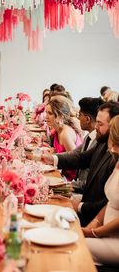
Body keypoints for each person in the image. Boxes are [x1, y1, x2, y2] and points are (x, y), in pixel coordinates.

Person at [41, 101, 119, 226]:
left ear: (114, 126)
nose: (96, 127)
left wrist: (80, 206)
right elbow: (81, 158)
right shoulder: (102, 143)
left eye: (100, 124)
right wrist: (52, 158)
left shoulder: (115, 156)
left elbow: (108, 202)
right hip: (85, 204)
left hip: (94, 217)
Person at [82, 114, 119, 267]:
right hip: (104, 232)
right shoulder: (117, 160)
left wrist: (94, 233)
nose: (112, 148)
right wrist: (92, 225)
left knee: (75, 247)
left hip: (115, 240)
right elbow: (111, 203)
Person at [45, 97, 82, 181]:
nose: (46, 116)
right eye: (46, 112)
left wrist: (55, 157)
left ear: (60, 116)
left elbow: (75, 162)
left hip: (70, 179)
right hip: (62, 172)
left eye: (50, 113)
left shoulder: (65, 134)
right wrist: (55, 152)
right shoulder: (57, 130)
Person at [72, 97, 104, 193]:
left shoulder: (100, 143)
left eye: (80, 115)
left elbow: (94, 182)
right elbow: (74, 155)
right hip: (78, 186)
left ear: (87, 119)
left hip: (85, 193)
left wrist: (66, 185)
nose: (78, 118)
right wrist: (52, 158)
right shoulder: (88, 137)